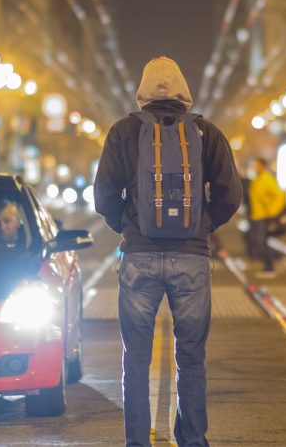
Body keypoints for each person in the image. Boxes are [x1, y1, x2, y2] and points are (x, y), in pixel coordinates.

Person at [94, 56, 242, 447]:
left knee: (136, 361)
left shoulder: (123, 132)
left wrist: (127, 226)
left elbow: (104, 195)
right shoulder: (206, 133)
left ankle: (137, 443)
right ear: (184, 91)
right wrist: (203, 226)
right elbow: (230, 194)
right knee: (191, 357)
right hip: (191, 258)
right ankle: (193, 440)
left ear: (142, 91)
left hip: (138, 257)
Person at [248, 158, 286, 273]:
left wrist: (271, 211)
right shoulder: (258, 179)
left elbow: (280, 195)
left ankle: (271, 265)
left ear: (262, 166)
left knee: (260, 243)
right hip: (256, 216)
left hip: (263, 217)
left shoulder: (266, 179)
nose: (254, 167)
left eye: (256, 165)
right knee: (257, 242)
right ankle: (275, 259)